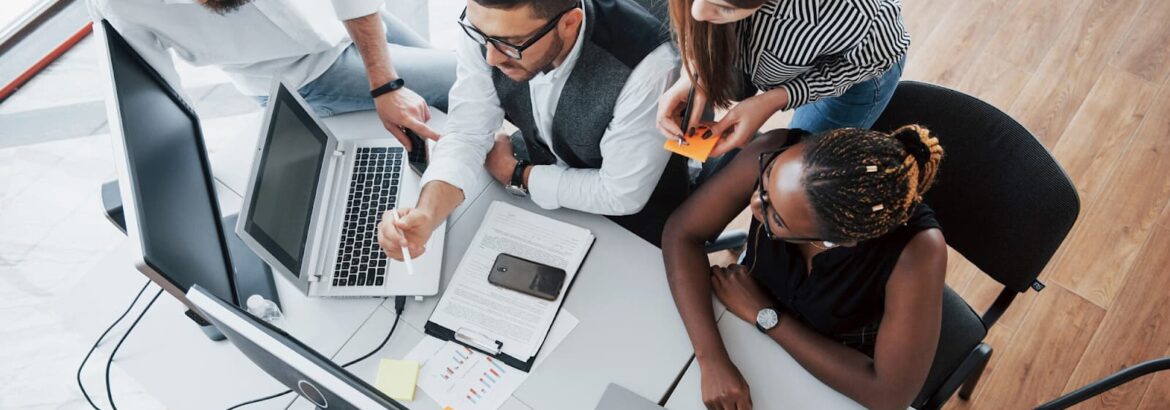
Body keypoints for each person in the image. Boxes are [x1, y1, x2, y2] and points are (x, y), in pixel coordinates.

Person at [662, 125, 946, 409]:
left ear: (841, 241)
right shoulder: (776, 148)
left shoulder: (918, 252)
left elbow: (889, 395)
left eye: (777, 220)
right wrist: (711, 359)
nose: (755, 203)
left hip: (830, 373)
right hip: (740, 329)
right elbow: (682, 232)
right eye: (767, 178)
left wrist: (767, 317)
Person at [377, 0, 688, 256]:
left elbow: (622, 194)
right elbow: (467, 130)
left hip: (631, 224)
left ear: (569, 22)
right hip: (537, 187)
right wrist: (427, 214)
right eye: (481, 36)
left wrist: (519, 175)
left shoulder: (649, 69)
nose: (491, 57)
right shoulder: (490, 28)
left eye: (511, 45)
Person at [88, 0, 456, 149]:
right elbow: (161, 96)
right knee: (473, 76)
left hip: (341, 18)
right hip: (306, 76)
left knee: (472, 84)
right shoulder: (115, 4)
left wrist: (384, 82)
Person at [656, 0, 910, 157]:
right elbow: (697, 19)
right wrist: (693, 72)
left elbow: (882, 54)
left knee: (802, 157)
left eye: (725, 6)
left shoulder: (857, 13)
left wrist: (776, 99)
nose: (697, 12)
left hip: (855, 76)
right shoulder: (704, 8)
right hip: (769, 64)